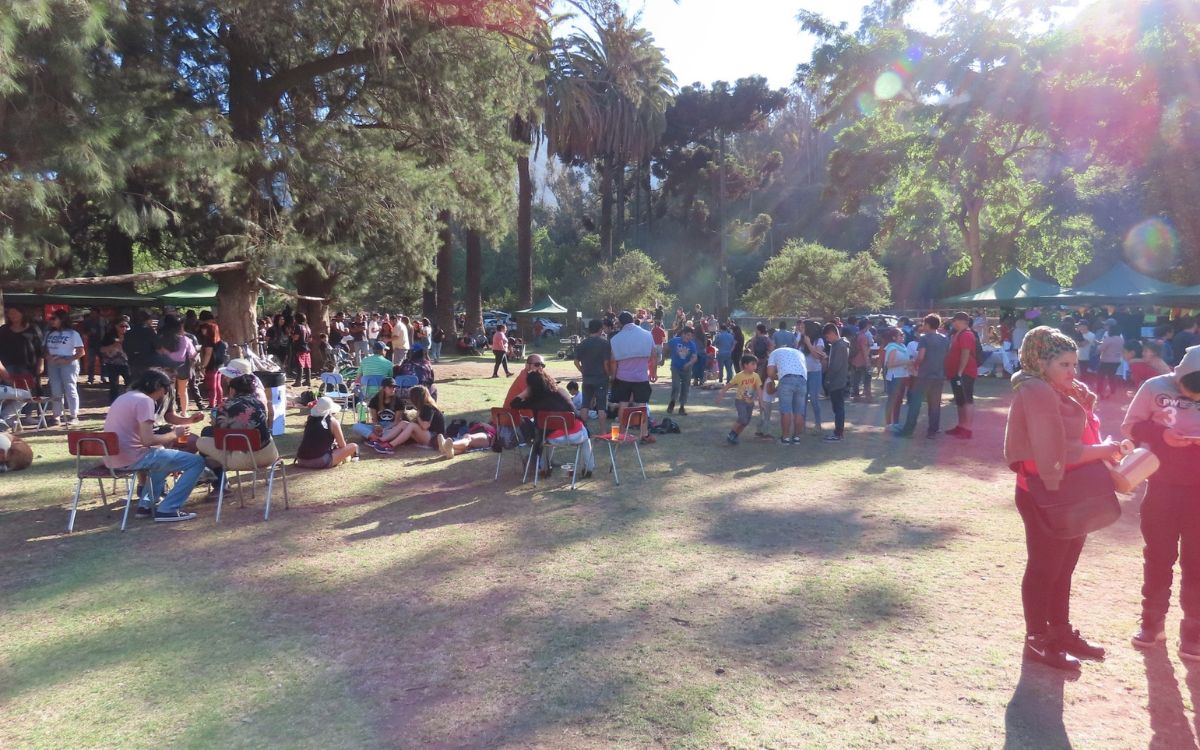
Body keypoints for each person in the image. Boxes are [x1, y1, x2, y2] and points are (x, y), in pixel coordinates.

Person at [1003, 326, 1123, 671]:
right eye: (1064, 364)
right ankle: (1037, 641)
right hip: (1048, 492)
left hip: (1073, 489)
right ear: (1041, 362)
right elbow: (1052, 453)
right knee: (1045, 568)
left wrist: (1104, 450)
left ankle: (1059, 632)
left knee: (1063, 568)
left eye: (1074, 363)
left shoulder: (1061, 390)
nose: (1073, 371)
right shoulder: (1036, 390)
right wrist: (1103, 450)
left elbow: (1079, 437)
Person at [1123, 344, 1200, 657]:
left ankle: (1194, 628)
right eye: (1189, 389)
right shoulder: (1154, 387)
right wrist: (1161, 435)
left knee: (1197, 559)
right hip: (1162, 485)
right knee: (1158, 555)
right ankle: (1152, 621)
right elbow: (1131, 427)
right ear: (1178, 376)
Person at [103, 367, 207, 522]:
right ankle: (168, 509)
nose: (164, 395)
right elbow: (148, 440)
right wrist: (174, 434)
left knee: (160, 457)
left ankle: (146, 505)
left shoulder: (124, 397)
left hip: (112, 458)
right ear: (158, 386)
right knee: (196, 462)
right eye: (165, 390)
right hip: (131, 458)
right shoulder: (145, 401)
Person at [197, 373, 279, 489]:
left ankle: (218, 482)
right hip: (268, 455)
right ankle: (217, 480)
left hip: (239, 459)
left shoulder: (223, 407)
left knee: (203, 438)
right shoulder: (259, 404)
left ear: (232, 389)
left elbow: (219, 433)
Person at [510, 368, 595, 478]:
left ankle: (544, 468)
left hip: (553, 438)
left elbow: (514, 404)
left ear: (531, 387)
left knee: (544, 433)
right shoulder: (562, 392)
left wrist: (527, 392)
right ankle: (588, 468)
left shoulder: (534, 400)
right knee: (584, 436)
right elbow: (575, 414)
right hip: (575, 435)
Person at [893, 315, 949, 439]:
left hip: (924, 375)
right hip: (939, 375)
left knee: (915, 403)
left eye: (924, 324)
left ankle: (908, 430)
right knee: (934, 404)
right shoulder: (945, 339)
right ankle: (933, 431)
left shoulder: (924, 338)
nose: (923, 327)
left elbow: (921, 356)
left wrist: (915, 366)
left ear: (928, 325)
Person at [607, 311, 657, 443]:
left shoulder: (615, 339)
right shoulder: (647, 335)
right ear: (633, 319)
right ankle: (644, 434)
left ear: (620, 323)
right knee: (642, 405)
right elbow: (653, 355)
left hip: (623, 377)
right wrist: (653, 372)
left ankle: (621, 433)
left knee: (623, 404)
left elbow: (613, 361)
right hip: (641, 376)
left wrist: (613, 375)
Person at [374, 385, 445, 454]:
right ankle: (381, 440)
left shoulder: (428, 407)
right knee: (403, 423)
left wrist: (418, 416)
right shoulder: (423, 407)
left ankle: (390, 446)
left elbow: (425, 426)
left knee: (412, 425)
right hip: (427, 435)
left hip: (433, 438)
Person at [44, 310, 85, 426]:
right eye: (51, 319)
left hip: (68, 362)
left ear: (62, 319)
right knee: (55, 389)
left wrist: (67, 359)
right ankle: (56, 416)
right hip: (53, 362)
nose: (51, 321)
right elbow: (45, 349)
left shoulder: (73, 334)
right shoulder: (50, 333)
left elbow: (81, 351)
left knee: (70, 388)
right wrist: (48, 356)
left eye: (54, 318)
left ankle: (73, 415)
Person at [295, 396, 359, 469]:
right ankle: (349, 458)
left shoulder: (310, 419)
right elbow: (342, 445)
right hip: (319, 461)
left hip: (301, 460)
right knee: (354, 446)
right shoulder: (332, 422)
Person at [945, 312, 979, 439]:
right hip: (957, 372)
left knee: (967, 400)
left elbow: (966, 353)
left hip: (965, 373)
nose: (953, 323)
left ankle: (967, 428)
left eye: (954, 321)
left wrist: (960, 371)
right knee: (960, 401)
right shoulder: (957, 334)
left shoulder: (967, 334)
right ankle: (961, 426)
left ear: (960, 321)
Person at [767, 338, 808, 443]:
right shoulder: (799, 353)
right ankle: (797, 437)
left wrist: (775, 379)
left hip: (786, 379)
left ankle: (785, 438)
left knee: (786, 410)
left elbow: (770, 372)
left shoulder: (774, 353)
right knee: (799, 411)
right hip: (802, 380)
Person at [572, 319, 611, 430]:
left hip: (587, 378)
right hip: (601, 378)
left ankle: (583, 430)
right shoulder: (604, 343)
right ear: (600, 329)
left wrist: (582, 371)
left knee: (585, 404)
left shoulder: (582, 344)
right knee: (601, 406)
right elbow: (606, 363)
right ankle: (603, 431)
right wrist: (609, 374)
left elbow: (575, 362)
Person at [157, 314, 196, 417]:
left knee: (169, 391)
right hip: (182, 367)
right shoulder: (185, 339)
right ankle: (184, 412)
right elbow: (192, 355)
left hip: (167, 368)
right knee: (183, 391)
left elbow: (158, 353)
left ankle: (170, 412)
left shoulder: (160, 339)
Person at [717, 354, 762, 445]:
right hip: (740, 401)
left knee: (746, 422)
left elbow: (759, 390)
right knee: (743, 419)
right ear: (745, 365)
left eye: (756, 364)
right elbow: (728, 385)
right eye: (752, 364)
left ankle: (735, 436)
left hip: (750, 402)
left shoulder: (756, 376)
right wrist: (721, 395)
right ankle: (731, 434)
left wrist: (761, 402)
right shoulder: (739, 376)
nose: (755, 366)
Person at [822, 323, 850, 442]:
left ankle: (838, 433)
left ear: (833, 333)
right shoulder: (839, 345)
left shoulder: (839, 346)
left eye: (827, 337)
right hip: (838, 380)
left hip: (837, 381)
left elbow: (836, 366)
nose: (827, 340)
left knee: (838, 408)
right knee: (838, 408)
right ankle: (838, 432)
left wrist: (827, 363)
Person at [881, 327, 913, 428]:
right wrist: (905, 362)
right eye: (901, 335)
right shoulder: (892, 348)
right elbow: (889, 365)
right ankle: (889, 423)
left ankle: (896, 422)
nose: (903, 336)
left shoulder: (903, 346)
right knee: (892, 400)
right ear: (894, 337)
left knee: (899, 400)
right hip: (895, 377)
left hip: (903, 376)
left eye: (903, 334)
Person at [99, 316, 132, 404]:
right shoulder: (109, 336)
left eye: (126, 326)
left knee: (130, 383)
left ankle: (130, 401)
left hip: (127, 364)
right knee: (114, 385)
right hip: (113, 364)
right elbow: (101, 349)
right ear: (116, 326)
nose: (124, 328)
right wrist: (114, 346)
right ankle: (114, 403)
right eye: (122, 326)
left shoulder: (131, 336)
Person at [666, 326, 698, 415]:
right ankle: (672, 402)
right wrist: (663, 358)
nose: (689, 337)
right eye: (688, 335)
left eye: (691, 336)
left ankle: (682, 407)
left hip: (687, 368)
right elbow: (666, 346)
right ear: (683, 334)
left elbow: (695, 357)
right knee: (676, 386)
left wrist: (689, 364)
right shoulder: (675, 341)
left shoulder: (692, 344)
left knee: (685, 388)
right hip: (675, 367)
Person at [1096, 321, 1125, 399]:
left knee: (1101, 377)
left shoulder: (1109, 339)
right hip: (1116, 361)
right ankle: (1112, 392)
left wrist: (1098, 346)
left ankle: (1100, 392)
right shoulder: (1121, 340)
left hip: (1106, 360)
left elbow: (1101, 349)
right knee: (1111, 377)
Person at [291, 312, 313, 387]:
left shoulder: (298, 326)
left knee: (300, 365)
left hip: (299, 348)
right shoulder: (307, 327)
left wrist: (291, 335)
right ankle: (308, 381)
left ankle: (298, 381)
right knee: (307, 365)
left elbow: (296, 337)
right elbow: (310, 339)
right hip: (306, 348)